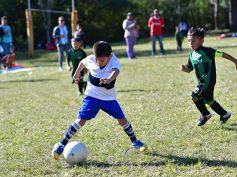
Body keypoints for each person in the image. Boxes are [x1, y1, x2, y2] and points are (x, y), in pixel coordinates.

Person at [52, 41, 147, 160]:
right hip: (92, 97)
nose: (99, 62)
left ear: (109, 56)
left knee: (122, 120)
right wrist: (76, 73)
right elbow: (82, 63)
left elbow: (116, 71)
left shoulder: (113, 60)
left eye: (102, 60)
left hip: (109, 99)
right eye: (98, 59)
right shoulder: (91, 59)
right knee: (81, 120)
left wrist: (109, 78)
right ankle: (61, 144)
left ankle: (135, 141)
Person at [180, 27, 237, 126]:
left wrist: (235, 61)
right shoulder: (191, 55)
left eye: (193, 40)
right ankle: (224, 114)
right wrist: (184, 68)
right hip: (201, 82)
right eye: (189, 41)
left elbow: (222, 54)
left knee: (194, 95)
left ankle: (205, 114)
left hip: (208, 81)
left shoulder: (208, 51)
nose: (190, 43)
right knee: (209, 100)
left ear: (201, 41)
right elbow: (189, 69)